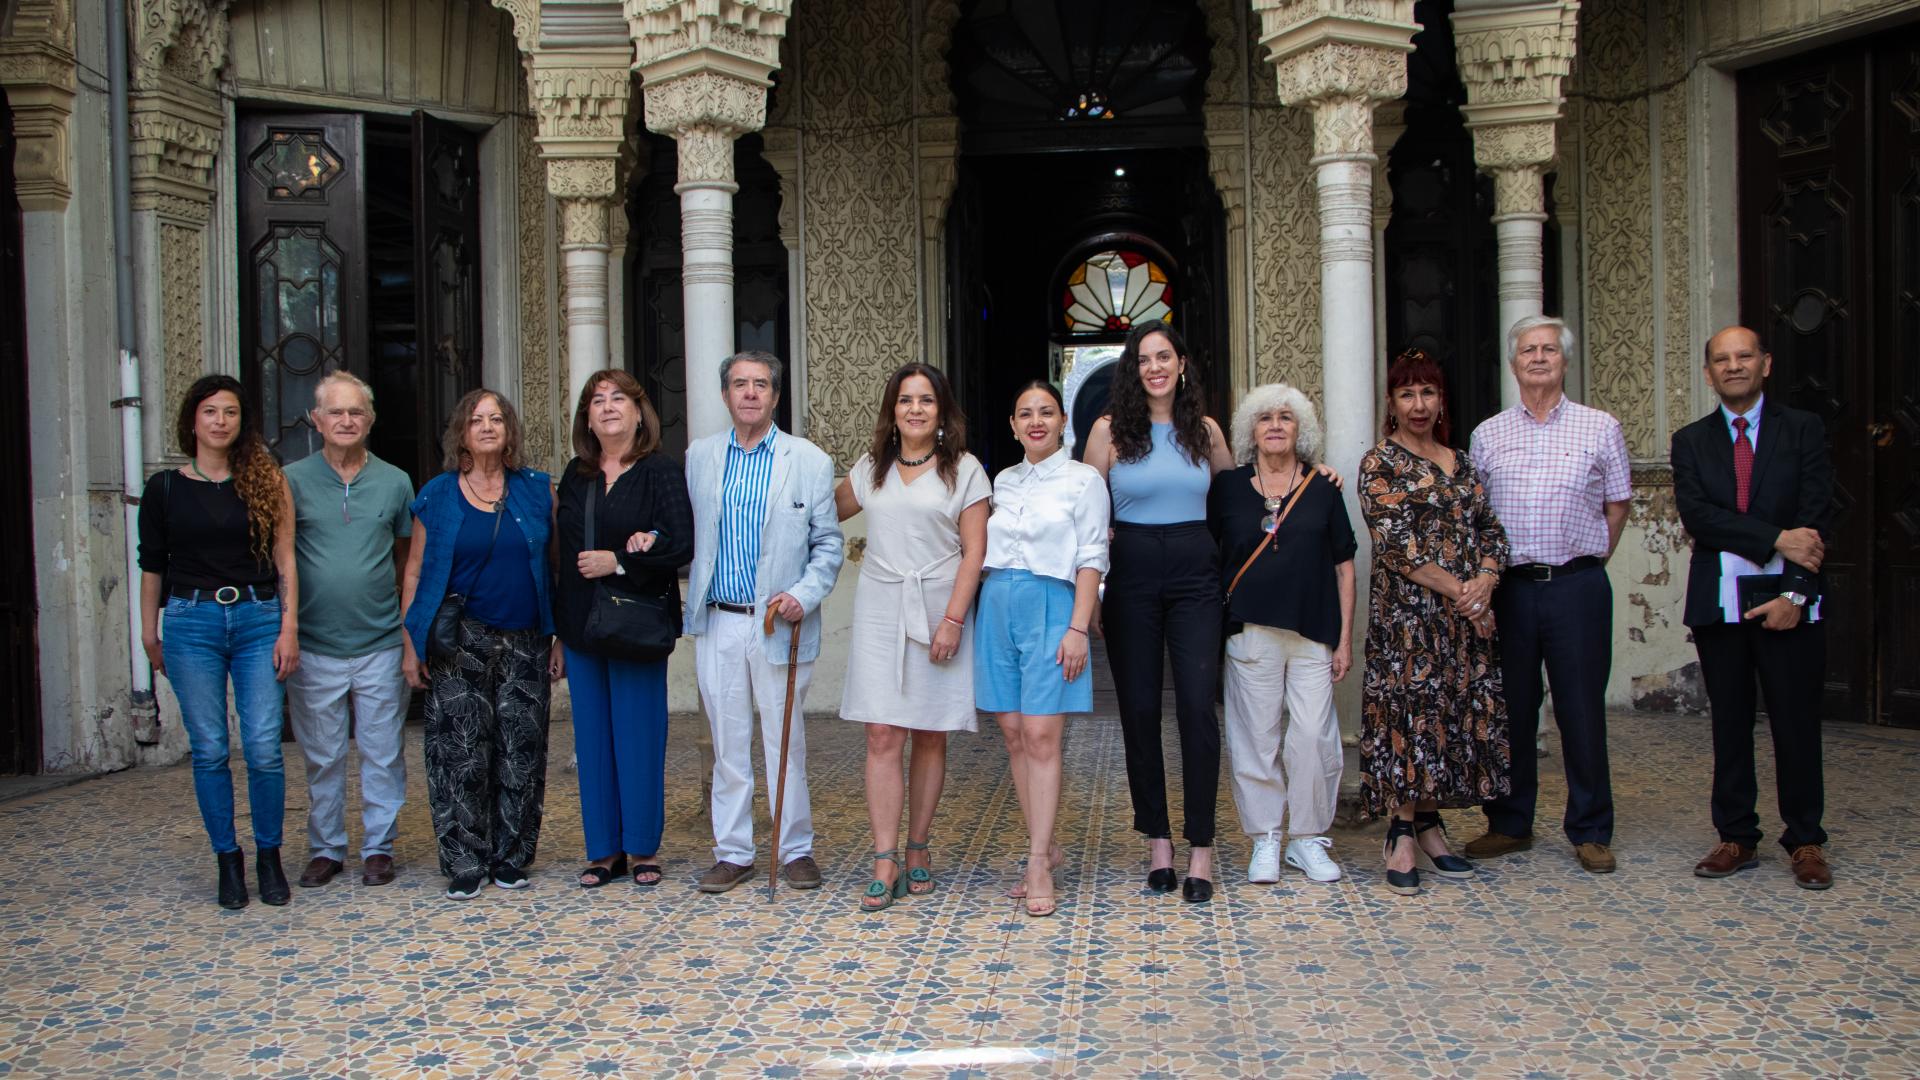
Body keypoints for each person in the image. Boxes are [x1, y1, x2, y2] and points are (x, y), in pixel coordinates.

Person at [1464, 316, 1632, 875]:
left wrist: (1587, 561)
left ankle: (1589, 829)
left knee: (1581, 709)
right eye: (1529, 351)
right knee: (1510, 708)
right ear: (1513, 365)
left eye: (1550, 350)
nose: (1539, 358)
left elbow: (1617, 505)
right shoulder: (1488, 434)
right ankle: (1509, 822)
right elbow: (1478, 518)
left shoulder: (1600, 427)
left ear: (1565, 361)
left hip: (1576, 586)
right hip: (1510, 590)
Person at [1672, 326, 1834, 890]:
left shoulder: (1803, 430)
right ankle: (1736, 835)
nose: (1733, 366)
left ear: (1765, 364)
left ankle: (1806, 839)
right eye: (1722, 359)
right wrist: (1776, 537)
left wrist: (1793, 592)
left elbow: (1816, 515)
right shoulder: (1691, 441)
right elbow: (1700, 517)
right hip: (1721, 603)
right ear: (1708, 373)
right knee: (1730, 725)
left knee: (1794, 723)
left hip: (1789, 603)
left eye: (1744, 356)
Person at [1081, 320, 1234, 902]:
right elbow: (1087, 516)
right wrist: (1089, 594)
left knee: (1197, 706)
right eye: (1143, 359)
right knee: (1139, 710)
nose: (1155, 367)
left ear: (1181, 364)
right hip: (1134, 574)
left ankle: (1201, 848)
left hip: (1197, 573)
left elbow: (1238, 502)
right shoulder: (1110, 431)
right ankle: (1160, 845)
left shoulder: (1207, 432)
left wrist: (1311, 475)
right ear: (1132, 369)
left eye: (1164, 356)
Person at [684, 350, 845, 894]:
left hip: (778, 620)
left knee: (785, 741)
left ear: (776, 396)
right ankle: (733, 852)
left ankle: (794, 848)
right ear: (725, 394)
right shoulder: (700, 457)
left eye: (760, 384)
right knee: (728, 743)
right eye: (739, 384)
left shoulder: (809, 460)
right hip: (720, 620)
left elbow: (828, 545)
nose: (750, 393)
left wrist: (804, 595)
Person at [138, 373, 300, 909]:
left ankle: (269, 858)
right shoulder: (164, 489)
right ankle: (227, 861)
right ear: (193, 420)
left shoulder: (265, 479)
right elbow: (152, 567)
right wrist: (148, 631)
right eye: (210, 411)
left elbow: (284, 561)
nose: (220, 421)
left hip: (257, 617)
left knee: (262, 749)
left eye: (230, 412)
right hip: (191, 622)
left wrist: (288, 626)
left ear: (241, 421)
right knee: (208, 750)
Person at [834, 363, 991, 912]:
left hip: (938, 604)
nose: (916, 409)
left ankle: (918, 846)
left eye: (927, 400)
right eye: (906, 400)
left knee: (929, 731)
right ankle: (884, 856)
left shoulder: (964, 470)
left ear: (942, 412)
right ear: (892, 410)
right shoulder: (871, 468)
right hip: (880, 604)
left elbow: (976, 550)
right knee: (882, 733)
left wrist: (953, 618)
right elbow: (825, 509)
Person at [1358, 350, 1511, 896]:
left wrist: (1487, 579)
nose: (1419, 404)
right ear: (1392, 404)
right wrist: (1465, 594)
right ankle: (1398, 829)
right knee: (1406, 718)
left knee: (1444, 720)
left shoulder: (1461, 461)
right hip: (1408, 623)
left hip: (1461, 624)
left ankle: (1429, 824)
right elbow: (1396, 547)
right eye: (1407, 394)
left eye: (1428, 393)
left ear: (1440, 400)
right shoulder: (1380, 464)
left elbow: (1490, 530)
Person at [400, 388, 563, 901]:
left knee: (521, 750)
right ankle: (465, 860)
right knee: (460, 753)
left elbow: (553, 567)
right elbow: (415, 569)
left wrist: (556, 635)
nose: (488, 426)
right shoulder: (438, 494)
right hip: (459, 640)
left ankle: (512, 858)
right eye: (477, 419)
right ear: (462, 433)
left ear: (509, 430)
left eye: (496, 419)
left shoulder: (539, 491)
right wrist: (411, 644)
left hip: (526, 640)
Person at [1207, 383, 1356, 886]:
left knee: (1313, 736)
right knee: (1256, 738)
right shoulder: (1227, 487)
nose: (1275, 425)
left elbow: (1345, 568)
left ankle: (1308, 839)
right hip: (1250, 632)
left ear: (1301, 430)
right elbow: (1208, 556)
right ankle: (1266, 837)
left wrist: (1345, 639)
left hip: (1313, 631)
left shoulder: (1323, 488)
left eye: (1286, 418)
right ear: (1251, 429)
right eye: (1265, 417)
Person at [555, 370, 694, 889]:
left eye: (619, 398)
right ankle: (603, 851)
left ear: (639, 413)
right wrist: (557, 634)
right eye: (597, 400)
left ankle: (641, 848)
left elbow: (682, 544)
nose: (608, 407)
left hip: (637, 623)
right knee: (591, 740)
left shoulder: (660, 471)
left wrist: (619, 561)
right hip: (581, 625)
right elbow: (561, 557)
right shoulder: (577, 474)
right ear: (587, 418)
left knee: (638, 735)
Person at [976, 381, 1108, 916]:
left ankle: (1035, 863)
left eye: (1046, 412)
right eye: (1025, 413)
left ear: (1061, 422)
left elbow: (1093, 556)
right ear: (1012, 425)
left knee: (1041, 735)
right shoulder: (1001, 481)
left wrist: (1078, 627)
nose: (1036, 421)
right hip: (997, 605)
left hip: (1053, 605)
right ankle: (1046, 844)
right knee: (1012, 733)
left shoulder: (1084, 480)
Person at [283, 372, 415, 889]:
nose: (345, 420)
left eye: (355, 412)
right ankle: (326, 848)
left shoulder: (395, 481)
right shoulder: (290, 479)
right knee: (323, 755)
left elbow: (408, 561)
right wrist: (287, 628)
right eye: (335, 412)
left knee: (383, 752)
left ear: (371, 419)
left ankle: (378, 848)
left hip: (380, 641)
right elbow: (281, 558)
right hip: (315, 644)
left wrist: (407, 634)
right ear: (316, 420)